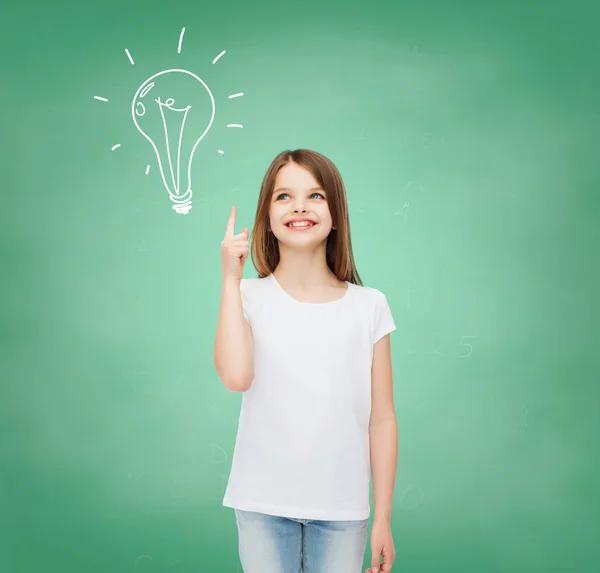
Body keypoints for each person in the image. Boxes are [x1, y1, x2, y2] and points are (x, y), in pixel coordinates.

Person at [214, 149, 398, 573]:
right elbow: (237, 376)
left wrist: (383, 518)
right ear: (267, 216)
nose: (299, 206)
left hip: (342, 509)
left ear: (336, 214)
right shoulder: (247, 297)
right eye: (284, 197)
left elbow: (382, 418)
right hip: (262, 504)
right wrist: (229, 278)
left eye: (315, 195)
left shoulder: (369, 306)